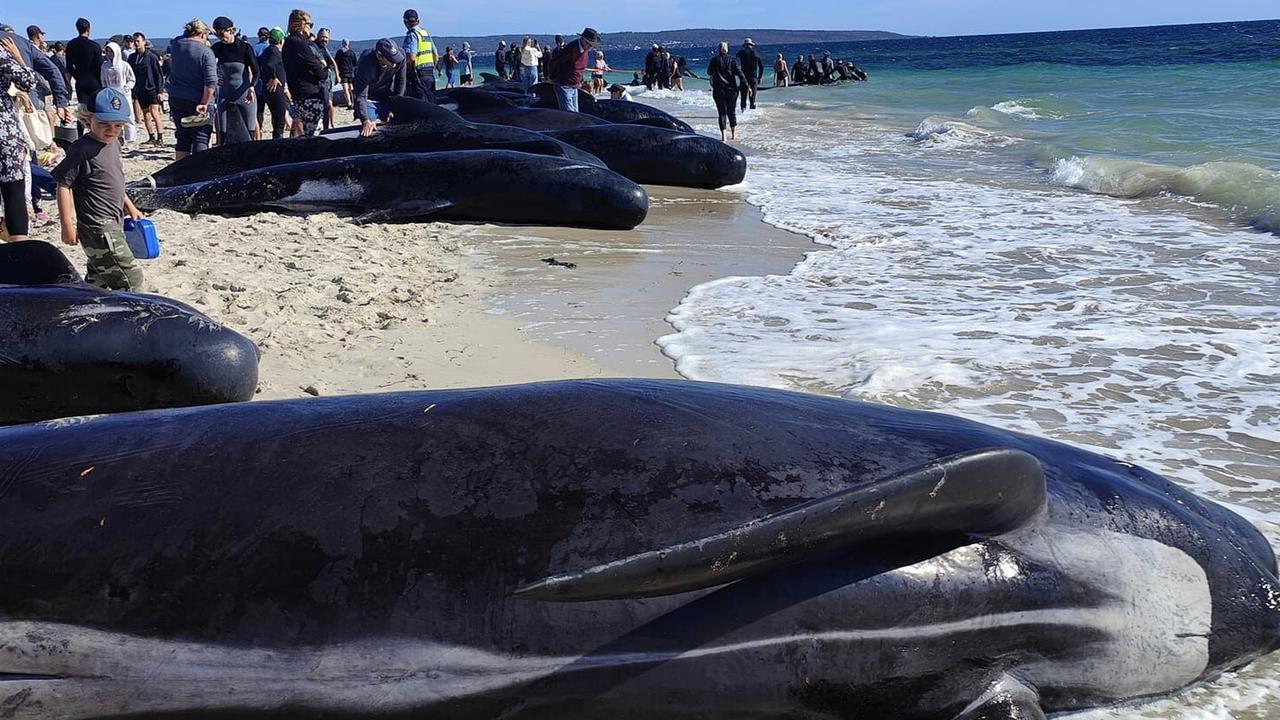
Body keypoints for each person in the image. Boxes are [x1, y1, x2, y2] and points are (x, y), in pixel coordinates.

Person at [52, 87, 145, 290]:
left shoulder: (113, 144)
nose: (111, 130)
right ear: (88, 118)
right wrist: (67, 225)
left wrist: (129, 206)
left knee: (98, 280)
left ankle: (89, 309)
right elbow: (63, 184)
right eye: (104, 124)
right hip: (99, 228)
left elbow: (113, 180)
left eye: (118, 125)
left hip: (114, 222)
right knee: (131, 279)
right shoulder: (81, 149)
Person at [0, 35, 35, 242]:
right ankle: (19, 246)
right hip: (5, 130)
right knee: (13, 190)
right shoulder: (2, 54)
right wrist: (18, 57)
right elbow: (28, 81)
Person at [167, 19, 217, 159]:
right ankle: (198, 173)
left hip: (177, 97)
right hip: (197, 98)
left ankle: (180, 172)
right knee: (201, 138)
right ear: (202, 34)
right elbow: (211, 82)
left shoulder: (176, 46)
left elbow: (180, 37)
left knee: (182, 138)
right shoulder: (206, 52)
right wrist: (204, 103)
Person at [211, 17, 258, 145]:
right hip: (225, 94)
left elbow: (256, 72)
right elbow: (207, 66)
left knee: (248, 134)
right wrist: (215, 78)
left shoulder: (244, 48)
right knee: (223, 135)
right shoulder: (217, 48)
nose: (220, 37)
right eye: (217, 34)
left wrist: (252, 87)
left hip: (244, 95)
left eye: (222, 33)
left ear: (231, 31)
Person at [282, 9, 327, 137]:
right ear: (301, 24)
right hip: (310, 96)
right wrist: (323, 71)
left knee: (299, 133)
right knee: (313, 135)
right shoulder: (300, 44)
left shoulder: (287, 44)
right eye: (310, 24)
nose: (311, 28)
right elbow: (317, 69)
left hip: (297, 94)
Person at [352, 38, 407, 137]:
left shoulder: (401, 57)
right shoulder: (366, 61)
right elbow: (361, 95)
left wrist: (395, 107)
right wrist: (365, 120)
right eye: (391, 60)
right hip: (369, 97)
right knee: (370, 128)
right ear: (379, 56)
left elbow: (401, 82)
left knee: (393, 123)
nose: (395, 64)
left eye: (396, 58)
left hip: (387, 94)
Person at [546, 27, 598, 112]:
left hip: (575, 86)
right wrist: (552, 77)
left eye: (591, 46)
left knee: (575, 113)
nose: (589, 47)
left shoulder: (585, 51)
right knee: (570, 115)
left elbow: (580, 69)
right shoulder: (571, 48)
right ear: (582, 39)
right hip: (564, 85)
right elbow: (554, 62)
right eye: (588, 44)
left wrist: (580, 82)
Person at [128, 33, 165, 145]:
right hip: (140, 89)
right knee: (146, 114)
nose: (136, 43)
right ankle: (151, 136)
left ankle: (160, 137)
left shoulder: (151, 57)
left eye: (138, 41)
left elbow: (158, 74)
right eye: (134, 41)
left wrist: (160, 91)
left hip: (152, 88)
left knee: (155, 112)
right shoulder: (132, 58)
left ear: (144, 42)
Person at [99, 42, 136, 146]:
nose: (110, 54)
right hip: (111, 95)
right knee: (115, 118)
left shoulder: (124, 65)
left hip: (124, 95)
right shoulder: (105, 66)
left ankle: (130, 139)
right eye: (108, 51)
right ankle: (119, 138)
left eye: (112, 51)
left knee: (128, 116)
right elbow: (103, 81)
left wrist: (126, 88)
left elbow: (131, 79)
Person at [707, 41, 745, 142]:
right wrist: (745, 84)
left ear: (718, 49)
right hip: (732, 90)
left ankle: (723, 136)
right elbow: (739, 73)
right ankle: (733, 134)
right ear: (726, 49)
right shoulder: (732, 60)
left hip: (719, 90)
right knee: (731, 112)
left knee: (722, 113)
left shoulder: (714, 60)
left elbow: (709, 72)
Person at [256, 28, 290, 140]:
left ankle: (277, 141)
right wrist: (273, 77)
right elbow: (270, 65)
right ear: (281, 41)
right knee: (280, 121)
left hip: (269, 89)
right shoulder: (273, 51)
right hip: (275, 90)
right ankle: (278, 143)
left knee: (276, 119)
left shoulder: (267, 51)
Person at [65, 18, 103, 107]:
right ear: (89, 29)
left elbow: (69, 66)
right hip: (94, 80)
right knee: (95, 108)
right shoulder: (94, 46)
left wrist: (77, 76)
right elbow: (99, 65)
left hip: (80, 79)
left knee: (83, 110)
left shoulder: (71, 45)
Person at [401, 9, 436, 103]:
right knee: (431, 101)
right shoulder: (425, 34)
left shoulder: (412, 35)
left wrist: (406, 69)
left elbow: (411, 57)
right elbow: (435, 54)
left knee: (421, 104)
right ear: (418, 21)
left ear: (405, 22)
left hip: (418, 73)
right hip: (430, 72)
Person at [314, 28, 338, 129]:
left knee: (327, 105)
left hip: (327, 81)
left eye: (326, 37)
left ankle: (327, 126)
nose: (325, 39)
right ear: (318, 36)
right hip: (320, 81)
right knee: (325, 105)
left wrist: (337, 75)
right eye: (323, 37)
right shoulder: (315, 47)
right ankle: (326, 127)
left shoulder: (324, 48)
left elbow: (332, 62)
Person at [735, 38, 762, 110]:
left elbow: (736, 56)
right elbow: (761, 67)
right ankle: (752, 114)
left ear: (744, 46)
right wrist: (760, 77)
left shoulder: (741, 53)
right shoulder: (756, 54)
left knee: (743, 98)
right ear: (751, 45)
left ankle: (743, 113)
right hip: (753, 77)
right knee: (752, 98)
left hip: (744, 77)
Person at [334, 39, 357, 106]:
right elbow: (355, 63)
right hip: (350, 73)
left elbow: (336, 62)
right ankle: (353, 102)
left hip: (343, 73)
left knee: (345, 89)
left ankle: (349, 102)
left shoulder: (339, 52)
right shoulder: (352, 53)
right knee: (351, 88)